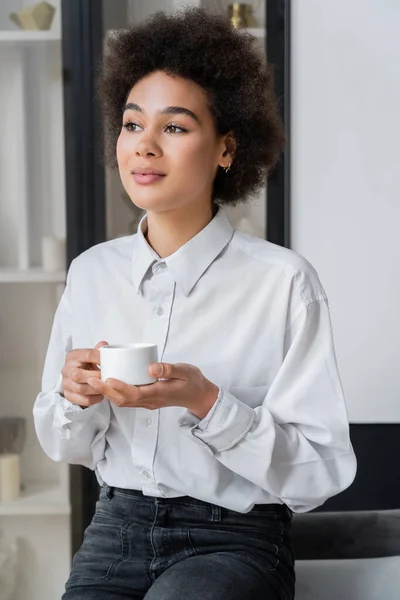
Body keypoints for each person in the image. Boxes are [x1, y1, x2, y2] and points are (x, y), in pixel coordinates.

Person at [33, 7, 357, 600]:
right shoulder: (92, 272)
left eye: (175, 127)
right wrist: (74, 397)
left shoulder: (283, 282)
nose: (145, 146)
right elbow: (66, 445)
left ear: (227, 149)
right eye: (133, 125)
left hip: (235, 540)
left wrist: (207, 402)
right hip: (115, 527)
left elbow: (320, 474)